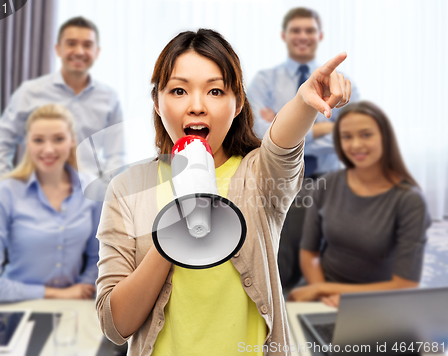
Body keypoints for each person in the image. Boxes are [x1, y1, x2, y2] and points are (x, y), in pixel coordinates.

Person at [95, 29, 351, 355]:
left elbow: (283, 143)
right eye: (178, 90)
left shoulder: (259, 176)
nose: (197, 106)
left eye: (215, 91)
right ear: (157, 103)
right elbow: (116, 325)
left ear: (238, 103)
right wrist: (171, 239)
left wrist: (304, 102)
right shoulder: (127, 188)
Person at [288, 101, 431, 307]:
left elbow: (405, 284)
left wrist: (328, 292)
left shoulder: (410, 200)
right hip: (321, 285)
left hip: (378, 298)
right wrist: (321, 294)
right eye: (347, 137)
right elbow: (309, 252)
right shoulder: (326, 184)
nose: (355, 145)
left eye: (366, 135)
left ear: (385, 137)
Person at [0, 104, 101, 303]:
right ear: (27, 144)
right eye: (38, 140)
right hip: (16, 306)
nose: (48, 149)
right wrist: (57, 295)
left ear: (72, 142)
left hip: (75, 308)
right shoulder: (4, 193)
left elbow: (99, 258)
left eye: (58, 139)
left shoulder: (92, 190)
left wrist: (83, 289)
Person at [0, 16, 124, 184]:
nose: (79, 51)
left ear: (97, 52)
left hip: (88, 197)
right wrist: (4, 187)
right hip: (37, 194)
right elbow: (2, 142)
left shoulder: (110, 98)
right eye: (71, 43)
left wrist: (105, 193)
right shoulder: (29, 92)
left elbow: (116, 155)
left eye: (87, 45)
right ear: (58, 49)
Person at [248, 7, 359, 178]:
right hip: (277, 178)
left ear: (320, 36)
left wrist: (281, 127)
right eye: (295, 30)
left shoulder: (339, 83)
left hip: (328, 179)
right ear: (284, 35)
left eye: (310, 30)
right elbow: (258, 134)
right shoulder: (264, 81)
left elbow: (351, 137)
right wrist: (323, 129)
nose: (303, 36)